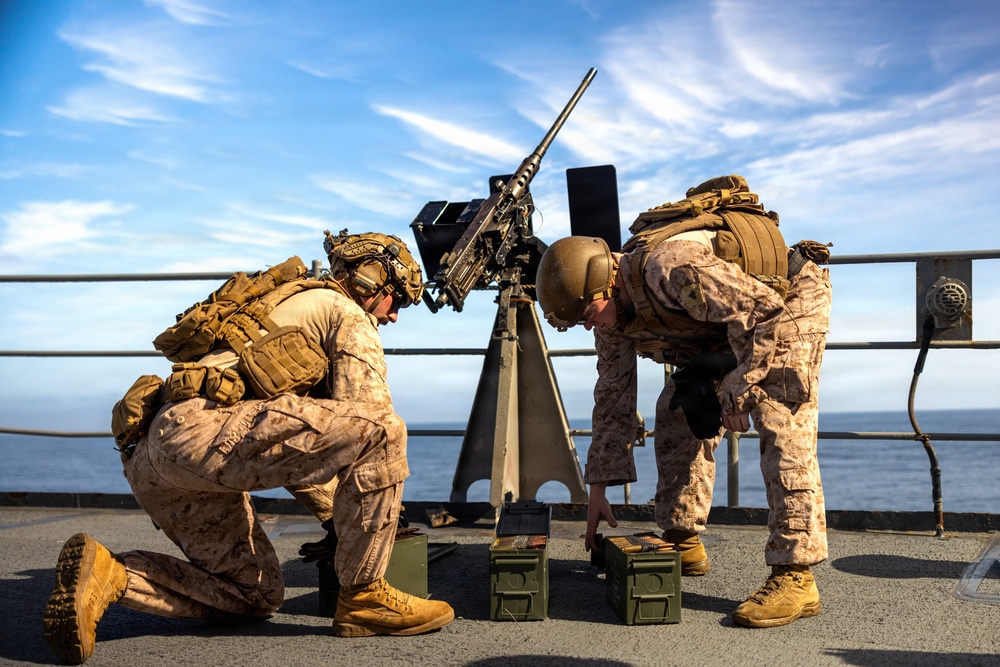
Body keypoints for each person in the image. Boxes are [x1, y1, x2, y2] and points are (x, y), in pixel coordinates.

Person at [42, 230, 454, 665]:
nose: (394, 317)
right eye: (398, 302)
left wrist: (338, 517)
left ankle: (111, 575)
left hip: (150, 452)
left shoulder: (282, 304)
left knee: (254, 593)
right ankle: (365, 598)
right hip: (206, 434)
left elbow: (299, 440)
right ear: (373, 283)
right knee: (385, 429)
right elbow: (366, 422)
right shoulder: (346, 314)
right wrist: (369, 532)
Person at [535, 175, 832, 628]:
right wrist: (597, 489)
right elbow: (612, 396)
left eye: (588, 315)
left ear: (606, 283)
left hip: (785, 301)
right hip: (724, 321)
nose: (591, 327)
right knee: (677, 407)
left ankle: (795, 574)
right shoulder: (609, 315)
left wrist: (739, 388)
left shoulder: (672, 267)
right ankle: (682, 537)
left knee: (780, 415)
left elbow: (766, 311)